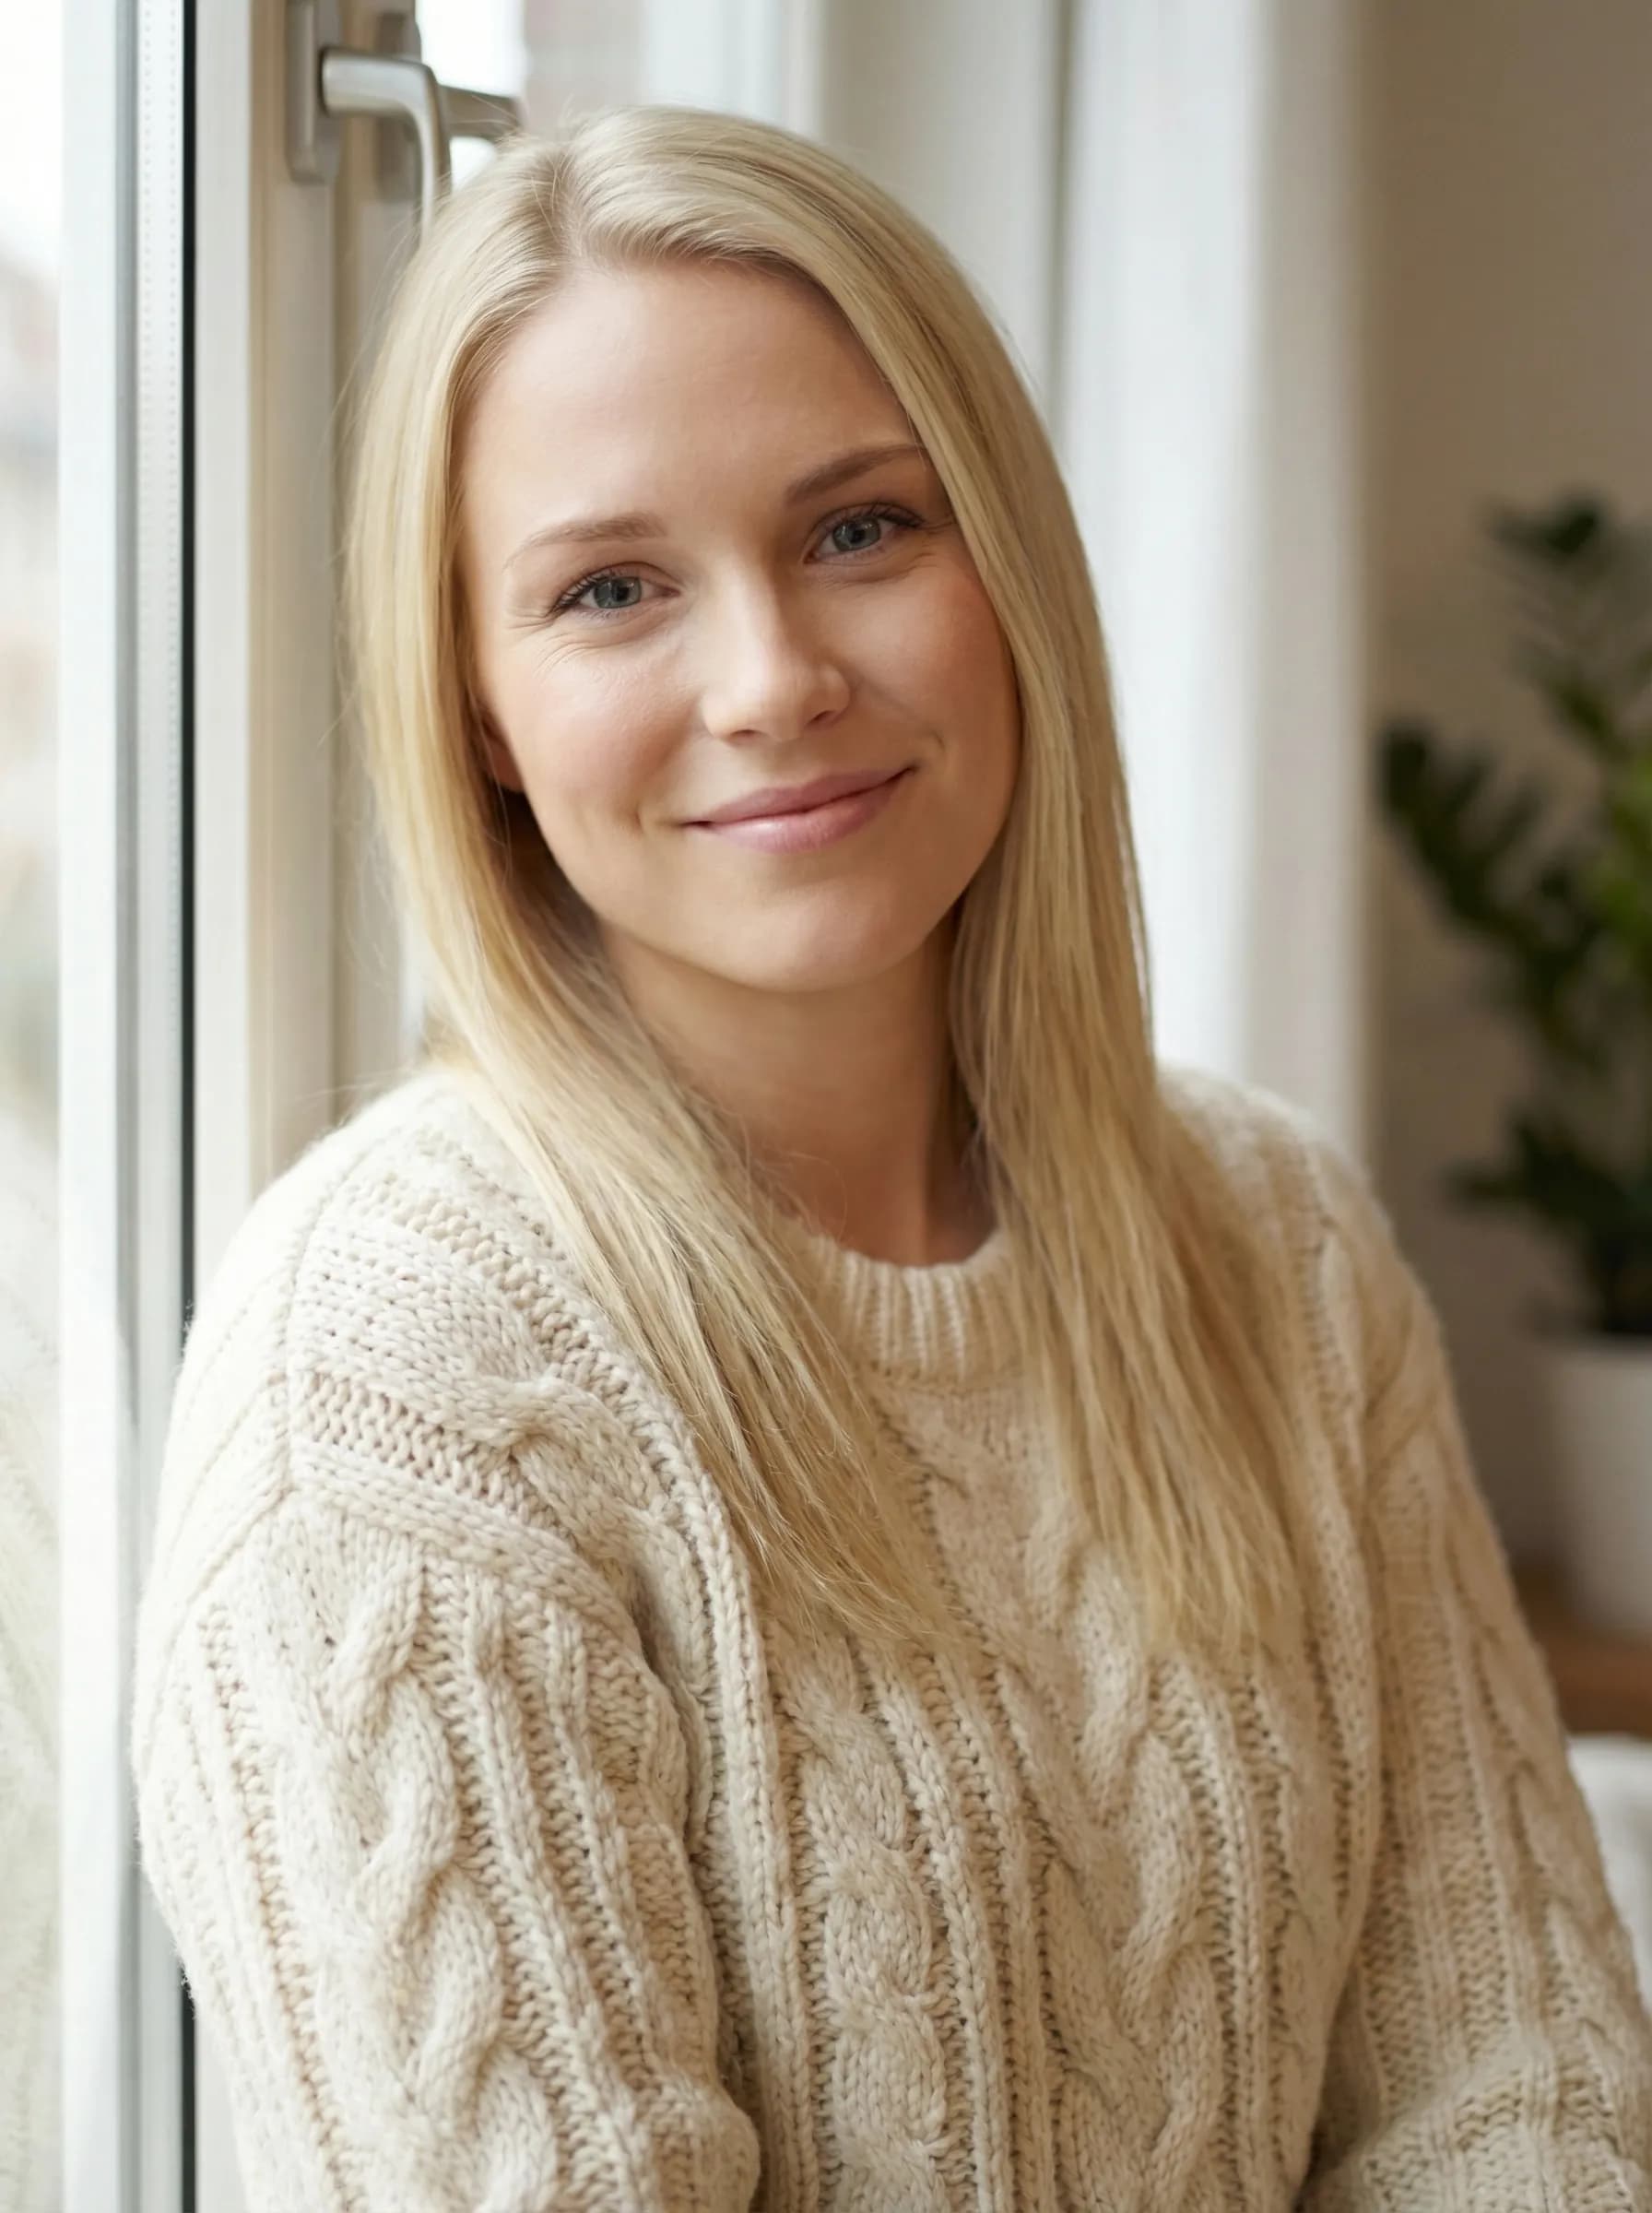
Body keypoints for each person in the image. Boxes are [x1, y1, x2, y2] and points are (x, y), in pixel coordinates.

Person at [129, 104, 1652, 2211]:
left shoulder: (1272, 1240)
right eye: (609, 589)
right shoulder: (391, 1366)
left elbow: (1524, 2102)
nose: (769, 681)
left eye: (859, 531)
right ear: (478, 707)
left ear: (1004, 563)